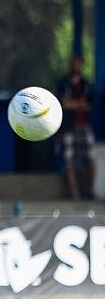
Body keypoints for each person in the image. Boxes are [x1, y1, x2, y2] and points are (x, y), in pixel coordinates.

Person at [56, 56, 94, 200]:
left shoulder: (86, 84)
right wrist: (79, 103)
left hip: (84, 126)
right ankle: (74, 192)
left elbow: (88, 104)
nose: (74, 67)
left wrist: (72, 103)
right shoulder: (62, 83)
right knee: (69, 159)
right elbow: (62, 103)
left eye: (77, 64)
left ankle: (89, 191)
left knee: (89, 158)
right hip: (68, 125)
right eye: (72, 64)